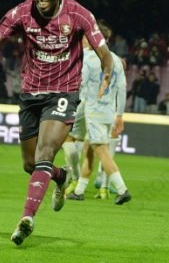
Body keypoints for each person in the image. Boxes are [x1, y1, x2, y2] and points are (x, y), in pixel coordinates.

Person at [0, 0, 113, 246]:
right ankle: (61, 176)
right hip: (30, 94)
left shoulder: (79, 14)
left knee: (45, 152)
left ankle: (27, 218)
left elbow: (104, 52)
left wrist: (107, 72)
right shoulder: (21, 13)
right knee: (31, 164)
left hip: (63, 93)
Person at [62, 20, 130, 204]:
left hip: (92, 110)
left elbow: (78, 84)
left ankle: (122, 189)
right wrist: (120, 115)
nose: (83, 40)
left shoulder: (88, 59)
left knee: (100, 150)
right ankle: (80, 189)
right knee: (89, 148)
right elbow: (122, 89)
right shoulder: (116, 59)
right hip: (107, 112)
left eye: (85, 37)